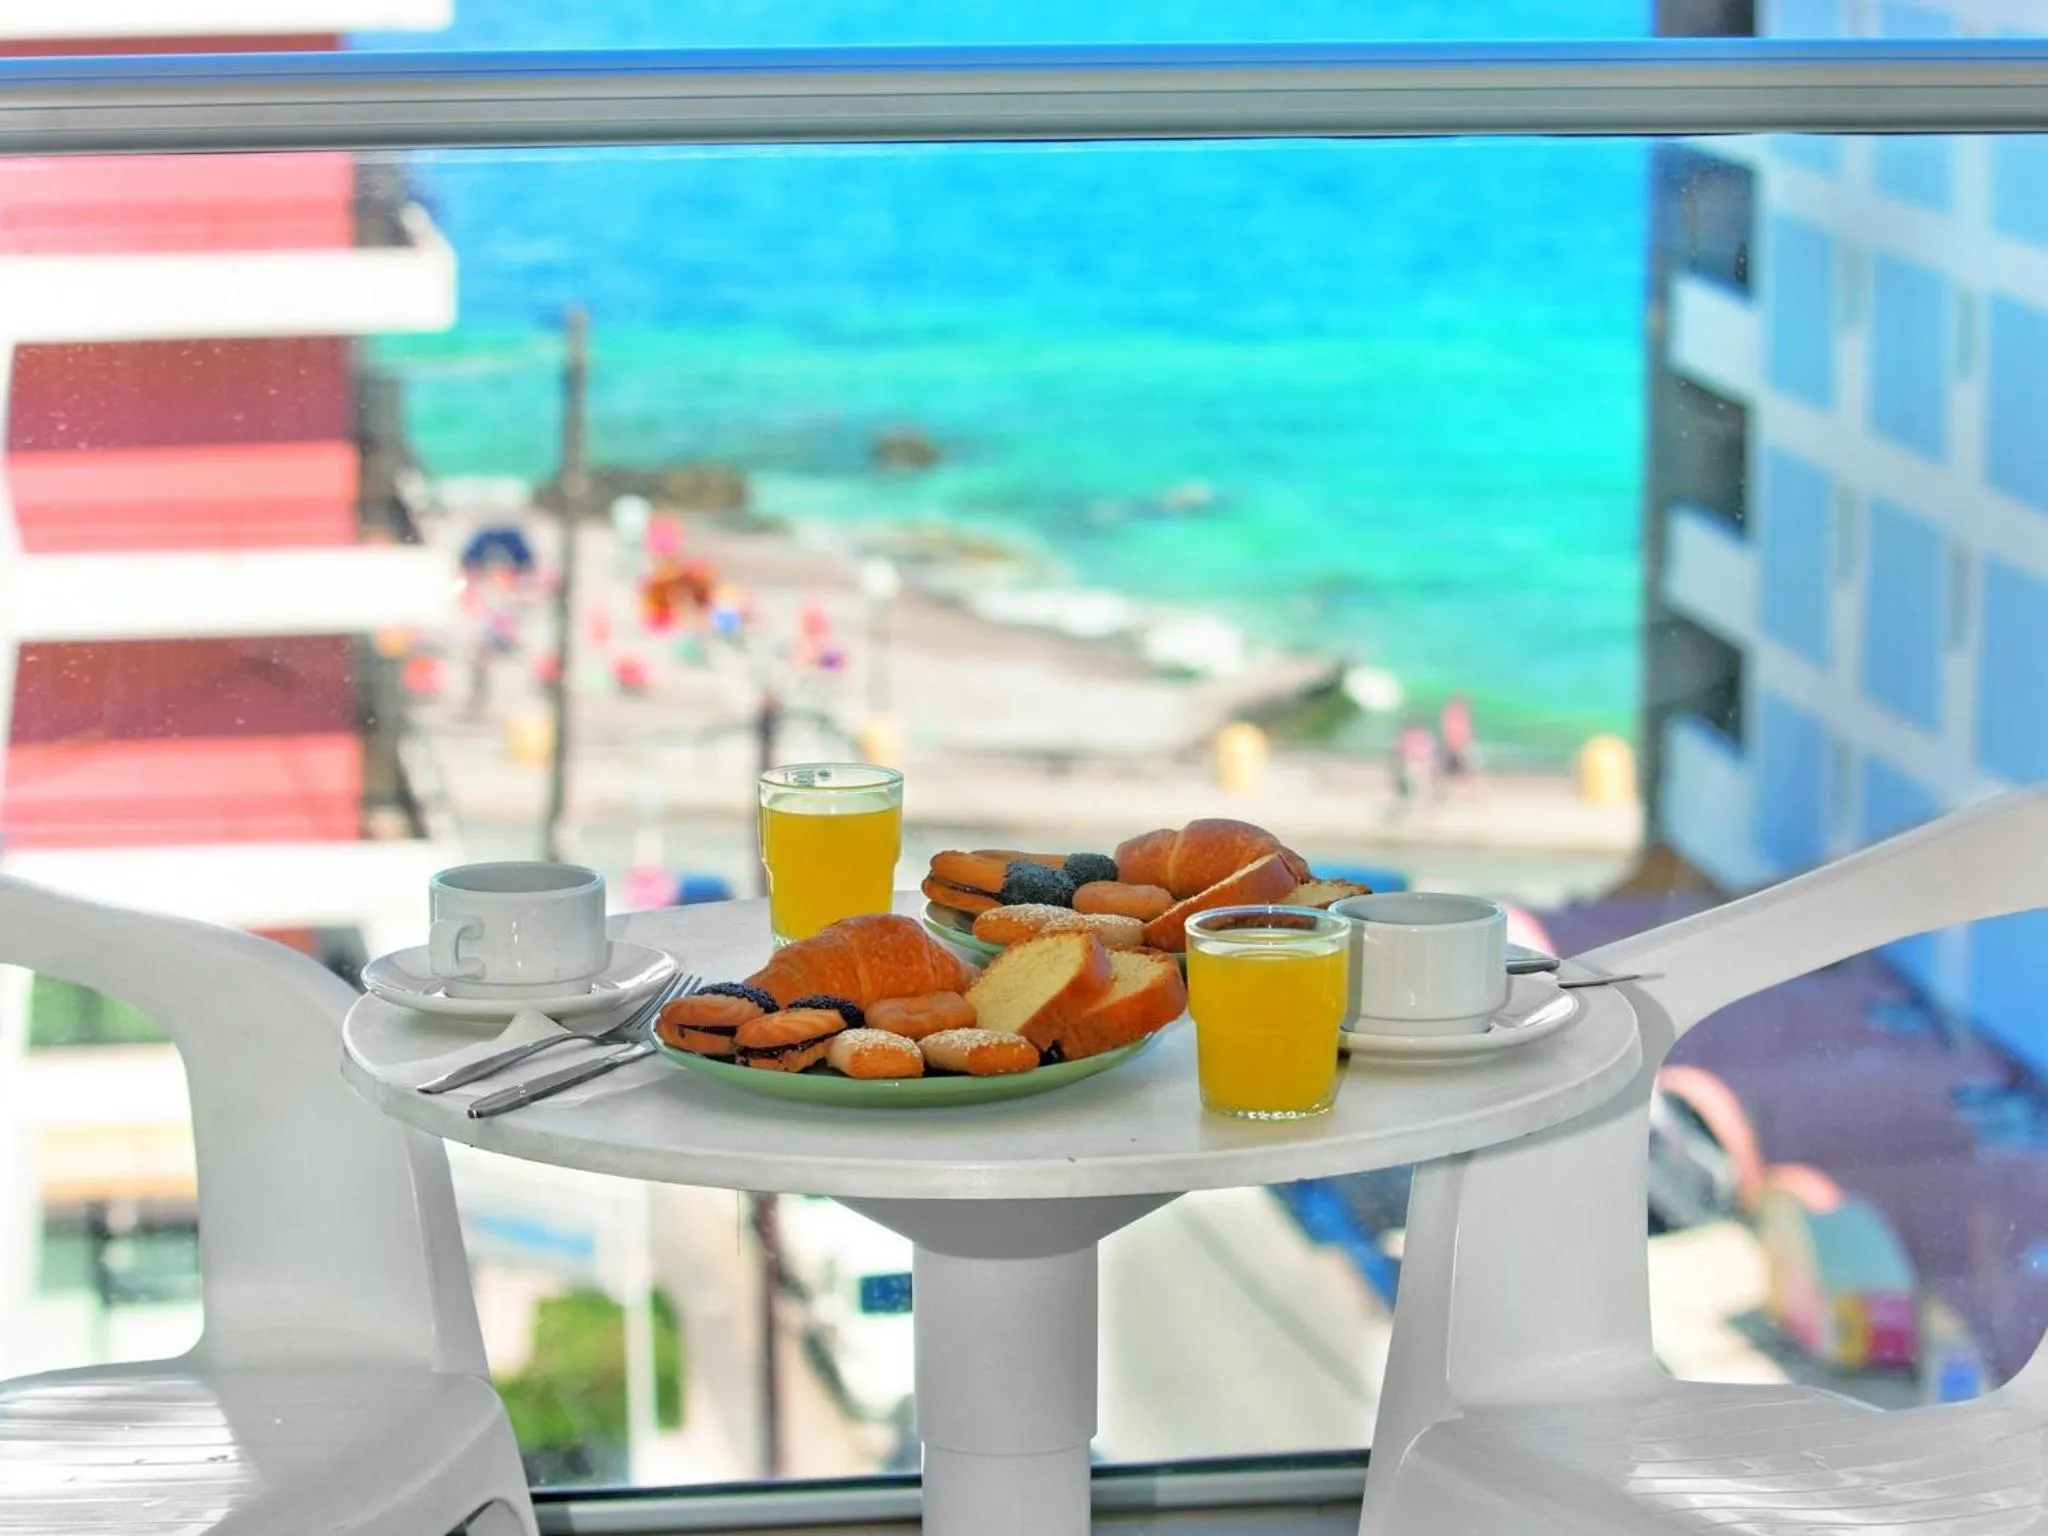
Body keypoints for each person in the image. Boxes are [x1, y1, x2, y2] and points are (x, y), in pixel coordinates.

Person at [1394, 718, 1436, 805]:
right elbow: (1430, 750)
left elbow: (1401, 751)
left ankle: (1411, 802)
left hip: (1412, 762)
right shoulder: (1425, 735)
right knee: (1422, 785)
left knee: (1412, 785)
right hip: (1422, 762)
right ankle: (1420, 803)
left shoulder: (1406, 735)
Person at [1440, 694, 1474, 778]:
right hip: (1457, 738)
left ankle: (1452, 773)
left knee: (1453, 757)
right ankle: (1456, 773)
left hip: (1453, 738)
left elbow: (1446, 725)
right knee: (1458, 757)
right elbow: (1465, 727)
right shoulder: (1460, 712)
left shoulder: (1449, 711)